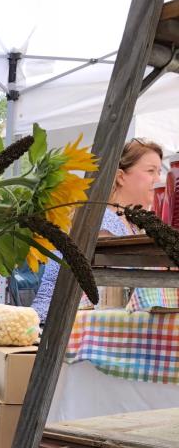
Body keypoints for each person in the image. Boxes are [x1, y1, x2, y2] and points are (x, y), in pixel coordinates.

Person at [31, 137, 164, 322]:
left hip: (89, 322)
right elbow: (106, 296)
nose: (158, 179)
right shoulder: (102, 222)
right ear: (121, 176)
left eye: (159, 171)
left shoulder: (130, 224)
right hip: (56, 325)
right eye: (151, 171)